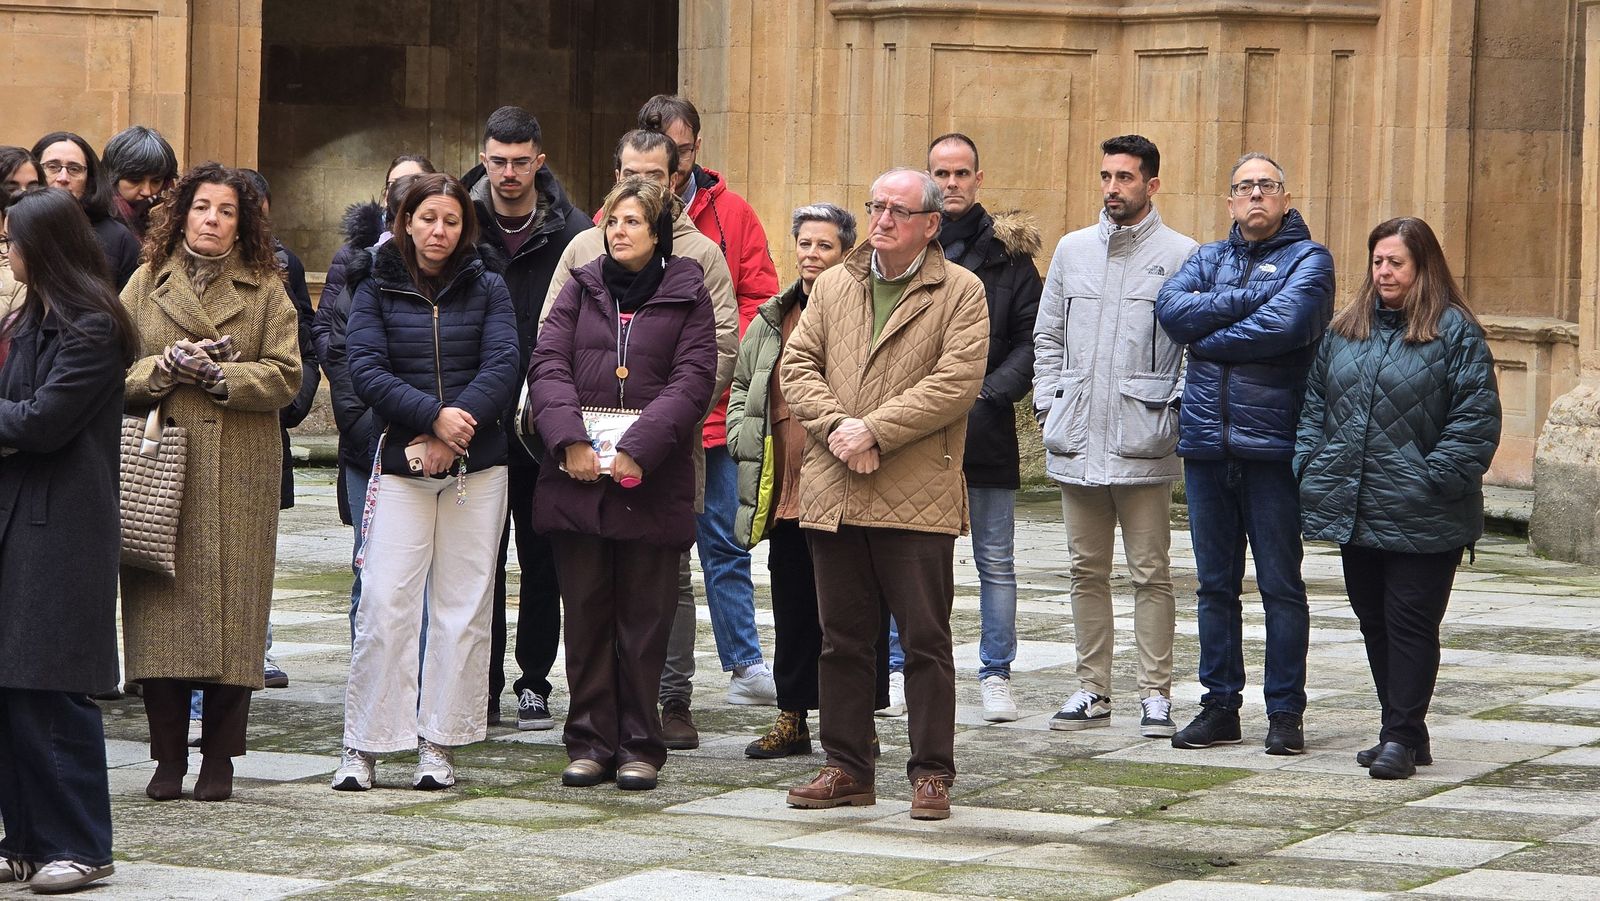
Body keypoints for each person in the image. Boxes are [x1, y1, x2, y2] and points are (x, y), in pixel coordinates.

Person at [781, 168, 988, 821]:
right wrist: (840, 426)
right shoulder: (836, 284)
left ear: (931, 224)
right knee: (842, 637)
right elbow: (796, 365)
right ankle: (847, 765)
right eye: (876, 207)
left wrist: (876, 427)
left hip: (915, 489)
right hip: (835, 486)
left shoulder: (961, 292)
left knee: (925, 638)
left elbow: (956, 382)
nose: (882, 220)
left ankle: (931, 773)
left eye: (899, 211)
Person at [543, 128, 739, 751]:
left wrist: (639, 447)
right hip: (579, 475)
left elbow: (695, 377)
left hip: (650, 477)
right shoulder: (579, 281)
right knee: (588, 616)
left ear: (658, 233)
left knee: (645, 618)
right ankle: (588, 741)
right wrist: (569, 439)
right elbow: (547, 363)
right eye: (613, 220)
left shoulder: (689, 288)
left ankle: (638, 741)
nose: (618, 230)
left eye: (633, 221)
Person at [120, 162, 303, 803]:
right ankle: (167, 760)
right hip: (160, 468)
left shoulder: (267, 290)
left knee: (236, 616)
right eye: (202, 208)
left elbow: (287, 375)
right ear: (181, 214)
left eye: (226, 211)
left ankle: (219, 761)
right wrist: (164, 368)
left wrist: (227, 378)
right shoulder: (146, 283)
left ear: (242, 223)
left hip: (240, 471)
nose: (212, 220)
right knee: (160, 616)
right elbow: (112, 371)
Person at [1296, 217, 1500, 779]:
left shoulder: (1453, 331)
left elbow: (1475, 418)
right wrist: (1311, 462)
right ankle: (1405, 729)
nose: (1384, 272)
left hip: (1424, 509)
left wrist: (1435, 477)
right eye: (1378, 262)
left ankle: (1400, 735)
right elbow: (1315, 405)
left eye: (1397, 263)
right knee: (1374, 622)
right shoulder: (1347, 329)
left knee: (1410, 623)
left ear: (1423, 267)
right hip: (1355, 505)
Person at [334, 173, 519, 792]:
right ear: (405, 221)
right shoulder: (374, 284)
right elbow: (364, 368)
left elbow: (503, 363)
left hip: (478, 466)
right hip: (402, 463)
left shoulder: (489, 286)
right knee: (385, 603)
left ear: (466, 228)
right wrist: (427, 418)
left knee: (463, 609)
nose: (439, 231)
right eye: (427, 218)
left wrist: (453, 431)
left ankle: (438, 742)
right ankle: (364, 743)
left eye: (452, 220)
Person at [1154, 152, 1334, 755]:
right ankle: (1219, 706)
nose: (1255, 195)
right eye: (1244, 187)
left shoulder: (1310, 260)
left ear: (1285, 196)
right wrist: (1246, 298)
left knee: (1282, 586)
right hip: (1206, 445)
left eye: (1266, 186)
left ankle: (1284, 712)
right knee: (1213, 586)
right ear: (1230, 200)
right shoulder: (1206, 257)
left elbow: (1285, 328)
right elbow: (1171, 312)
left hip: (1274, 448)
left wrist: (1207, 340)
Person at [1034, 135, 1197, 737]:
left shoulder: (1183, 255)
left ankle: (1156, 693)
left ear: (1151, 184)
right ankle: (1091, 689)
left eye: (1125, 177)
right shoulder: (1073, 249)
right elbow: (1048, 335)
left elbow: (1192, 349)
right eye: (1105, 176)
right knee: (1085, 570)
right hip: (1077, 436)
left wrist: (1170, 412)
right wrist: (1050, 403)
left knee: (1152, 572)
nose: (1112, 188)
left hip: (1143, 438)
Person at [0, 187, 139, 893]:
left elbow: (41, 422)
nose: (7, 252)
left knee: (53, 684)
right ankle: (23, 836)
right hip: (17, 516)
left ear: (44, 246)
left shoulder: (91, 328)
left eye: (13, 240)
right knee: (11, 685)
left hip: (64, 523)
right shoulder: (32, 318)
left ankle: (82, 842)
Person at [729, 202, 891, 758]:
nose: (812, 255)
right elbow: (742, 385)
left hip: (848, 488)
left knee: (854, 613)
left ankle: (858, 727)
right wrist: (741, 439)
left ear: (846, 251)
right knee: (793, 605)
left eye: (824, 245)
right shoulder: (774, 316)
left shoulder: (865, 309)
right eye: (804, 244)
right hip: (789, 492)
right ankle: (792, 718)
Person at [638, 94, 781, 709]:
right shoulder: (614, 218)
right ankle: (649, 676)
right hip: (641, 415)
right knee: (651, 553)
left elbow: (760, 297)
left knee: (724, 540)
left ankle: (743, 661)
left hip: (715, 410)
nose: (675, 169)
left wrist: (714, 361)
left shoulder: (733, 214)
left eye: (686, 151)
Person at [462, 106, 589, 731]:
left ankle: (534, 680)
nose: (508, 174)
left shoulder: (575, 230)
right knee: (478, 559)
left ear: (539, 160)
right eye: (497, 162)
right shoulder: (456, 221)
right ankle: (479, 685)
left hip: (545, 421)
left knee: (543, 561)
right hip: (475, 417)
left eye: (520, 162)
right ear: (483, 158)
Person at [924, 132, 1042, 722]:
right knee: (916, 558)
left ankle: (996, 673)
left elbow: (1033, 339)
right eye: (941, 173)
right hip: (917, 436)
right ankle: (905, 667)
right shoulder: (903, 248)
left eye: (961, 173)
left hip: (986, 427)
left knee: (995, 559)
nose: (951, 184)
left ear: (978, 179)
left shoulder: (1009, 256)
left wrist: (988, 396)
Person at [315, 170, 425, 637]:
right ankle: (370, 689)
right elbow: (341, 356)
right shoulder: (360, 277)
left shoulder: (472, 283)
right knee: (374, 571)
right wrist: (368, 429)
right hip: (371, 445)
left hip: (436, 446)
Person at [242, 168, 321, 689]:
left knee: (258, 545)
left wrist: (291, 406)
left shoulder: (283, 265)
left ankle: (258, 646)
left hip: (265, 429)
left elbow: (305, 344)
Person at [31, 132, 140, 289]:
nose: (63, 177)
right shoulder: (16, 226)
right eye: (52, 167)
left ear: (89, 179)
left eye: (74, 169)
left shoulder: (118, 238)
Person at [101, 125, 179, 240]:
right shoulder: (93, 220)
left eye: (156, 181)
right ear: (112, 177)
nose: (147, 191)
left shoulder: (177, 216)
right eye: (135, 180)